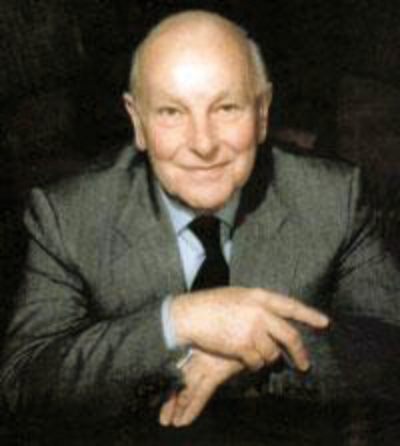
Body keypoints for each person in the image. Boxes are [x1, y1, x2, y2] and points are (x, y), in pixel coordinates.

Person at [0, 9, 399, 446]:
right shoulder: (69, 215)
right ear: (137, 121)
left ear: (262, 111)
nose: (204, 143)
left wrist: (263, 350)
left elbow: (390, 348)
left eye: (226, 108)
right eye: (172, 112)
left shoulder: (332, 197)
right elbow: (23, 381)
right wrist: (177, 320)